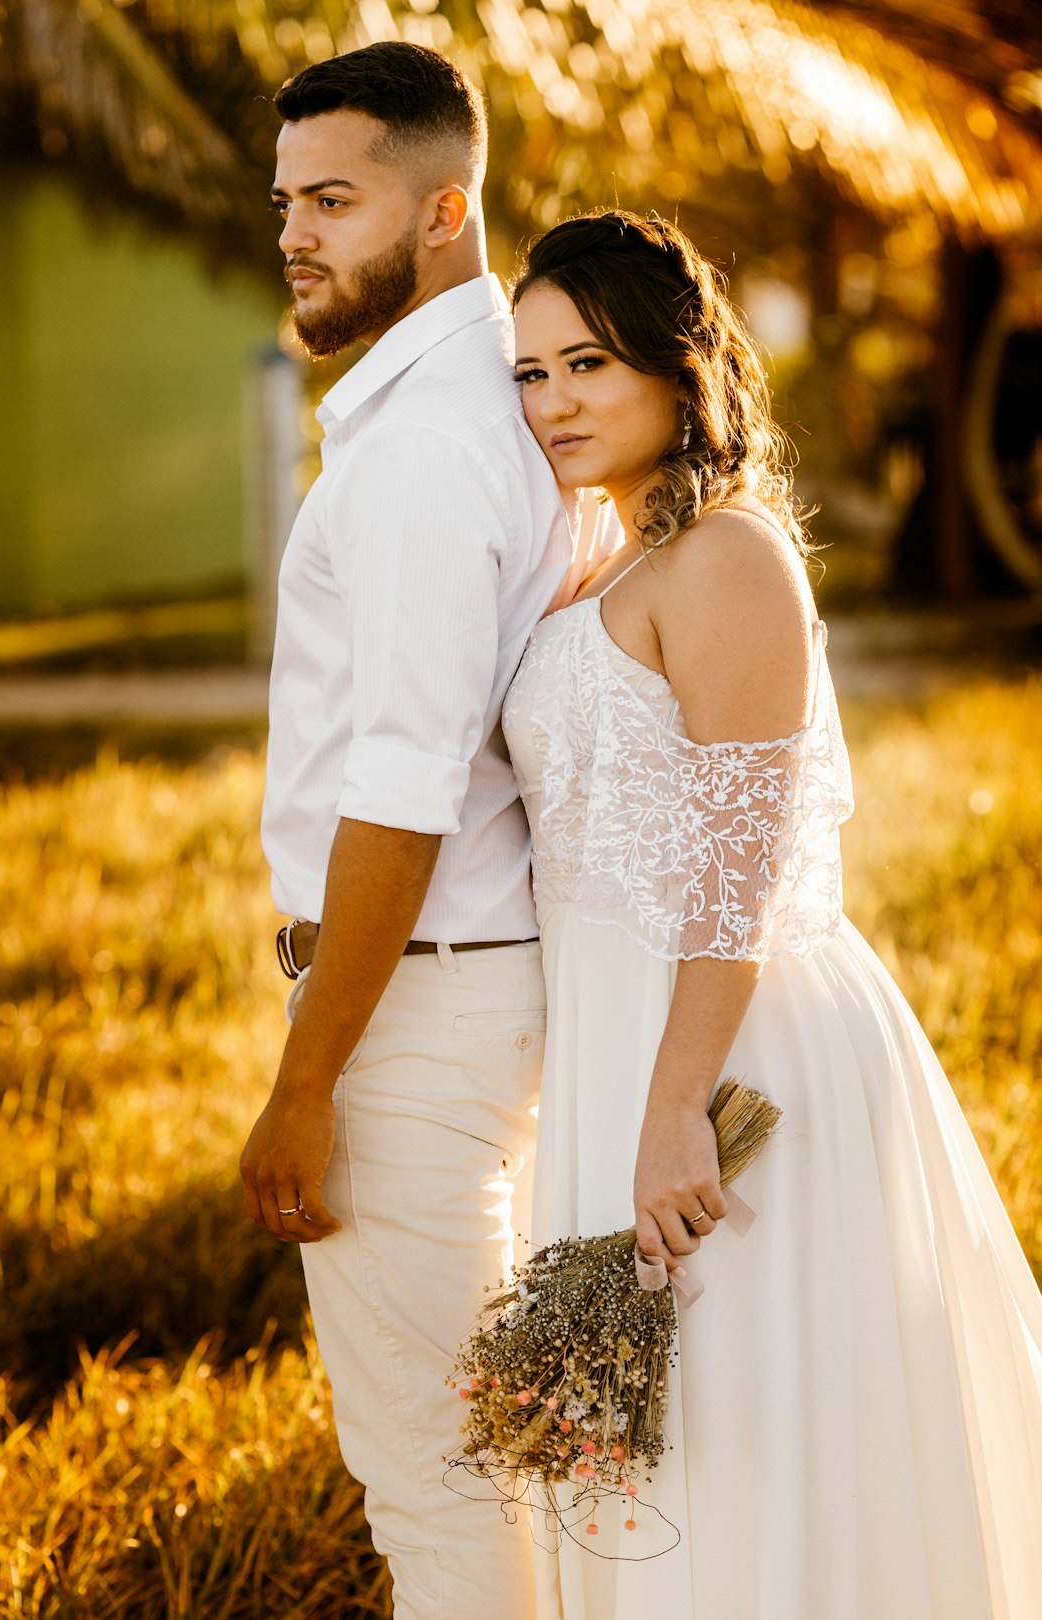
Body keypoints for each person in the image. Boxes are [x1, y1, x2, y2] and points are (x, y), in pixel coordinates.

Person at [501, 211, 1042, 1619]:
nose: (556, 402)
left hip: (732, 1051)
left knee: (755, 1429)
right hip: (619, 1037)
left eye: (590, 366)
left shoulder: (729, 557)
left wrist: (678, 1102)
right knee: (665, 1458)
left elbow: (740, 867)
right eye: (532, 374)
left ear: (679, 371)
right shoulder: (597, 560)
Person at [238, 43, 594, 1620]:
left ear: (446, 209)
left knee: (437, 1485)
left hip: (408, 1010)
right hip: (455, 987)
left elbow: (402, 792)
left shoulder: (435, 446)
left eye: (335, 200)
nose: (297, 235)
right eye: (286, 204)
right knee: (491, 1468)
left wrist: (305, 1081)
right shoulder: (473, 410)